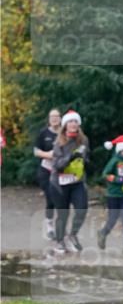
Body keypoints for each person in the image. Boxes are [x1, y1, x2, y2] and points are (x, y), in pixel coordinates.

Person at [50, 109, 90, 255]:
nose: (73, 124)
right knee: (63, 214)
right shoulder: (59, 142)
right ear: (65, 124)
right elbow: (57, 165)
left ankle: (73, 235)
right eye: (70, 121)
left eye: (76, 121)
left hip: (77, 181)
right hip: (59, 183)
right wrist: (71, 158)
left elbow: (87, 157)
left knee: (82, 209)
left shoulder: (84, 140)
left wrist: (84, 160)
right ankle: (60, 241)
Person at [98, 135, 123, 254]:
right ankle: (103, 233)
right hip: (113, 195)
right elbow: (105, 174)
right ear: (119, 150)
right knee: (113, 219)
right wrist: (117, 179)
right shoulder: (114, 161)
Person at [33, 108, 61, 239]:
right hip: (46, 171)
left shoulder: (65, 133)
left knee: (62, 199)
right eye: (52, 117)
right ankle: (49, 225)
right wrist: (48, 155)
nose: (54, 119)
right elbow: (36, 151)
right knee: (51, 198)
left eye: (56, 116)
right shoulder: (43, 133)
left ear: (60, 118)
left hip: (62, 171)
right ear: (49, 119)